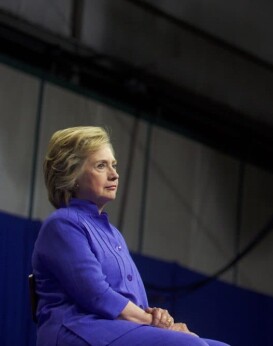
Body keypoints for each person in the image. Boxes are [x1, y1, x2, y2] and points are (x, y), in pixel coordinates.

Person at [31, 126, 231, 346]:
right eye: (101, 166)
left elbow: (132, 301)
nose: (114, 174)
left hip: (115, 328)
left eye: (114, 165)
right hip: (77, 328)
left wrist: (158, 317)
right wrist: (158, 325)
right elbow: (97, 296)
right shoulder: (62, 224)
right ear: (73, 175)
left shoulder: (113, 234)